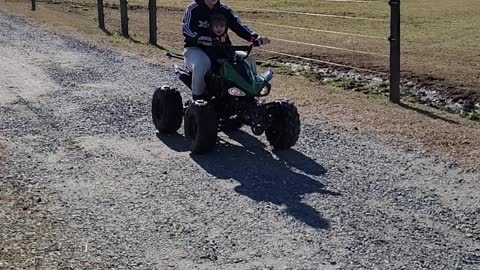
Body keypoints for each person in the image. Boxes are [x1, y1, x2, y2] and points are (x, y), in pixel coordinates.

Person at [182, 0, 270, 100]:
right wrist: (199, 38)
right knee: (202, 64)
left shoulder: (225, 10)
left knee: (247, 59)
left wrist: (255, 37)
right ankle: (198, 99)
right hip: (195, 49)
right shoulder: (193, 9)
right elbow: (186, 29)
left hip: (222, 50)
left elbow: (239, 27)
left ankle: (250, 93)